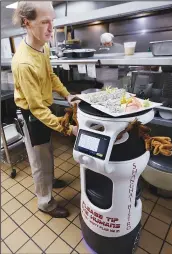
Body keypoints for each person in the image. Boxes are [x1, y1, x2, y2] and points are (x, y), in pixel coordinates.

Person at [12, 1, 78, 218]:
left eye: (53, 21)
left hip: (42, 107)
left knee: (47, 151)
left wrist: (67, 95)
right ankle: (45, 202)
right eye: (44, 22)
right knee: (39, 160)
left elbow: (50, 76)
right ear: (27, 23)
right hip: (32, 115)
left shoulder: (43, 46)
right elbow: (37, 109)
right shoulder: (23, 62)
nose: (52, 28)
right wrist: (67, 129)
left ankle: (49, 182)